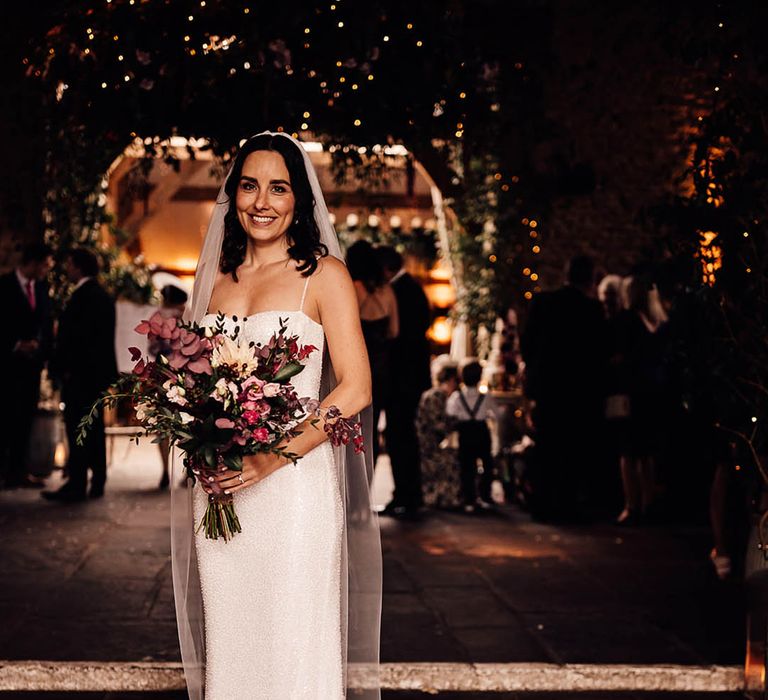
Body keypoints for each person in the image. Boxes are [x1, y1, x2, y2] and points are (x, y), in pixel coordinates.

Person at [174, 132, 381, 699]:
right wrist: (197, 439)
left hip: (291, 490)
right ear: (232, 194)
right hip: (221, 490)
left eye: (278, 187)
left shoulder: (324, 275)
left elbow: (356, 388)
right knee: (233, 644)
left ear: (299, 201)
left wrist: (271, 457)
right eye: (249, 185)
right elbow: (194, 384)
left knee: (291, 644)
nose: (261, 202)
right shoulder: (215, 279)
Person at [520, 254, 607, 521]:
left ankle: (543, 503)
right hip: (579, 392)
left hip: (547, 389)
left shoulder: (544, 303)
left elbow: (527, 345)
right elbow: (599, 353)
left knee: (547, 446)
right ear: (591, 278)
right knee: (573, 449)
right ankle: (566, 503)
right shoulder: (592, 310)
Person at [43, 248, 117, 502]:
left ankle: (76, 483)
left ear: (78, 267)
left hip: (81, 375)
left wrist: (62, 368)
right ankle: (97, 480)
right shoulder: (103, 296)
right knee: (94, 428)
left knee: (79, 429)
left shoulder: (84, 297)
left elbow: (77, 340)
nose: (67, 269)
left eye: (69, 264)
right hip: (96, 375)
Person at [377, 245, 431, 517]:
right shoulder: (413, 288)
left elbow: (399, 338)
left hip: (402, 379)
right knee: (403, 436)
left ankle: (407, 495)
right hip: (411, 377)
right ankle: (408, 495)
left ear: (386, 269)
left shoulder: (399, 291)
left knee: (401, 437)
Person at [612, 275, 669, 525]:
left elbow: (617, 357)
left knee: (629, 452)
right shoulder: (658, 322)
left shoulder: (625, 321)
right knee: (646, 453)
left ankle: (632, 503)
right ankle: (648, 502)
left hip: (632, 392)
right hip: (652, 393)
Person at [0, 241, 53, 489]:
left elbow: (45, 324)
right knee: (5, 418)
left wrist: (40, 350)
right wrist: (15, 344)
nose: (46, 271)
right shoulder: (4, 286)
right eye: (44, 265)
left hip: (31, 367)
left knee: (25, 419)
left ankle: (18, 470)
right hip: (7, 366)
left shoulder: (41, 288)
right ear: (31, 263)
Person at [346, 240, 399, 463]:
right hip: (382, 369)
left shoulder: (352, 289)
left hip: (356, 365)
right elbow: (394, 331)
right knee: (373, 424)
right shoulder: (387, 291)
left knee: (351, 426)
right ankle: (369, 479)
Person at [149, 284, 189, 490]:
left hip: (161, 375)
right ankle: (187, 472)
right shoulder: (186, 317)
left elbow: (152, 347)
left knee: (163, 423)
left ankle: (165, 470)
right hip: (184, 375)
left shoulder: (156, 317)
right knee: (186, 423)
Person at [446, 359, 496, 513]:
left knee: (467, 466)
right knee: (487, 464)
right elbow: (497, 414)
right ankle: (485, 496)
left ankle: (469, 499)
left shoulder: (456, 396)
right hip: (481, 430)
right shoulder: (486, 397)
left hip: (465, 431)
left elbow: (450, 413)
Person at [416, 356, 461, 509]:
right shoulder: (436, 395)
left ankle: (441, 496)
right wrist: (456, 423)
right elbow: (437, 423)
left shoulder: (437, 395)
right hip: (428, 445)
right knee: (454, 458)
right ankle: (447, 497)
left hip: (429, 442)